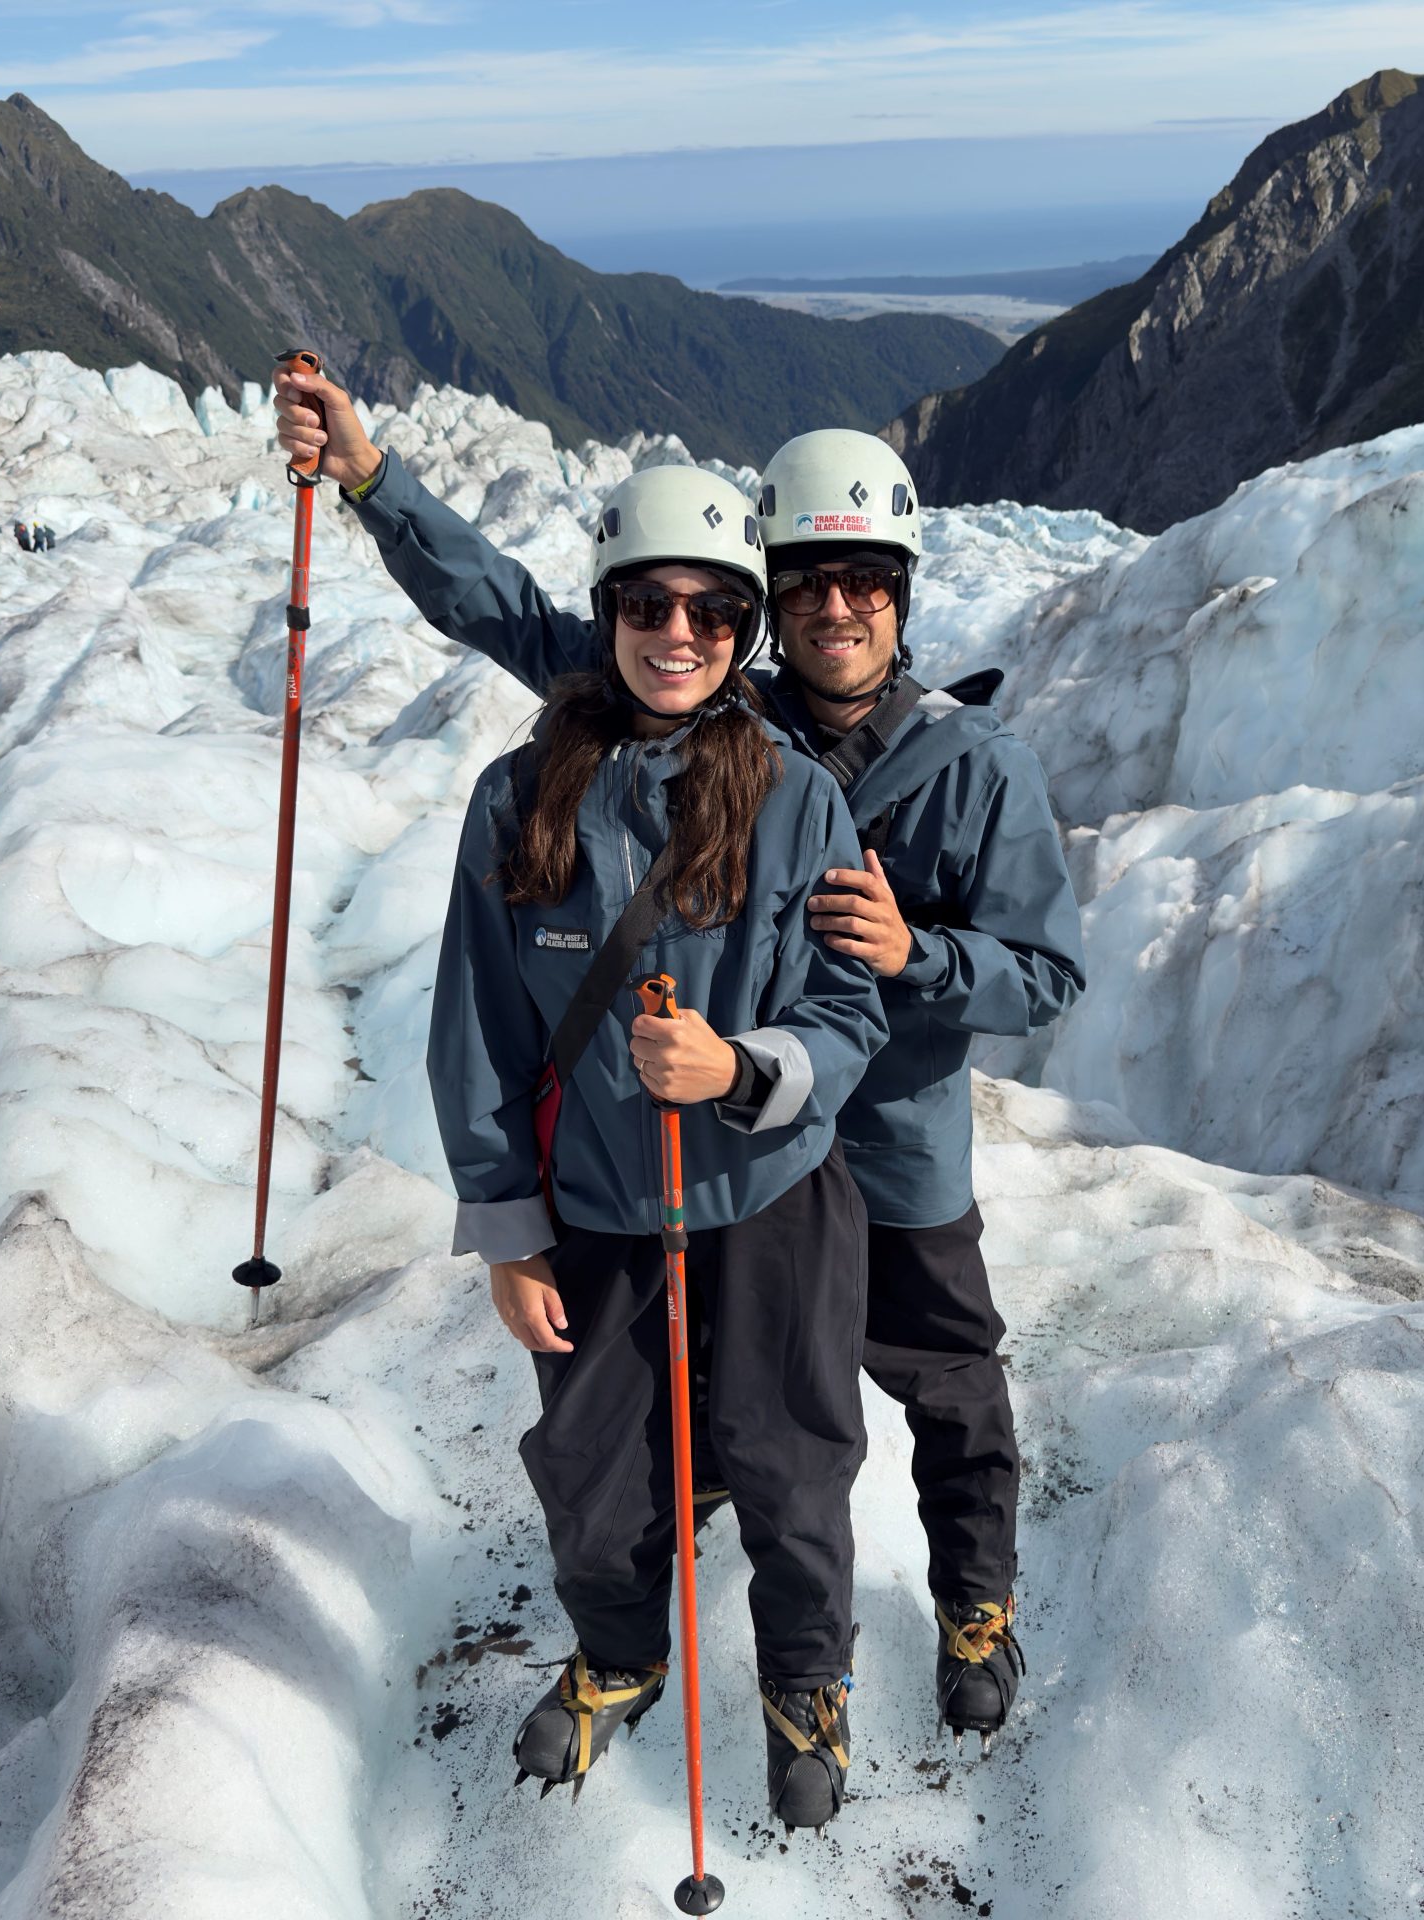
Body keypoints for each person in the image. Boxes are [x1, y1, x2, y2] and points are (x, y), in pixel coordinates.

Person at [276, 372, 1084, 1754]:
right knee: (732, 1402)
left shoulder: (975, 768)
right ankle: (666, 1611)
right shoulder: (726, 712)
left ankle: (975, 1606)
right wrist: (371, 481)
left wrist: (914, 959)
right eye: (810, 580)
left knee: (945, 1385)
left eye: (866, 581)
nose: (837, 607)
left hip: (887, 1150)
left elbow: (1048, 976)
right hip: (730, 1154)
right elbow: (520, 617)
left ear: (901, 593)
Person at [428, 461, 888, 1829]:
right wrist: (508, 1234)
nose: (676, 632)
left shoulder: (798, 800)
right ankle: (622, 1656)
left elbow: (849, 1004)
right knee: (594, 1472)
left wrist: (742, 1069)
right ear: (608, 611)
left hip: (770, 1196)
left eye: (708, 609)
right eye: (647, 602)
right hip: (598, 1214)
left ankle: (807, 1678)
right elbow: (480, 1034)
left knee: (791, 1458)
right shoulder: (521, 804)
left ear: (743, 630)